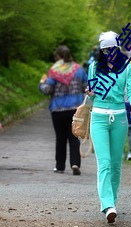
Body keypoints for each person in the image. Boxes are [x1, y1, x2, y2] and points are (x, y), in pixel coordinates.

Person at [85, 31, 131, 223]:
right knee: (104, 163)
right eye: (105, 50)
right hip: (98, 117)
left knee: (116, 164)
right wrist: (90, 92)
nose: (109, 54)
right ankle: (107, 205)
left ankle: (112, 201)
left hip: (120, 118)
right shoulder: (94, 67)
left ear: (118, 48)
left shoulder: (127, 68)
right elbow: (91, 95)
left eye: (112, 49)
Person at [39, 45, 87, 175]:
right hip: (75, 109)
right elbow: (86, 87)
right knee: (74, 136)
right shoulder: (79, 70)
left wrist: (42, 83)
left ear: (58, 57)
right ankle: (75, 163)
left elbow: (47, 90)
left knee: (60, 138)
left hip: (58, 109)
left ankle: (60, 167)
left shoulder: (54, 71)